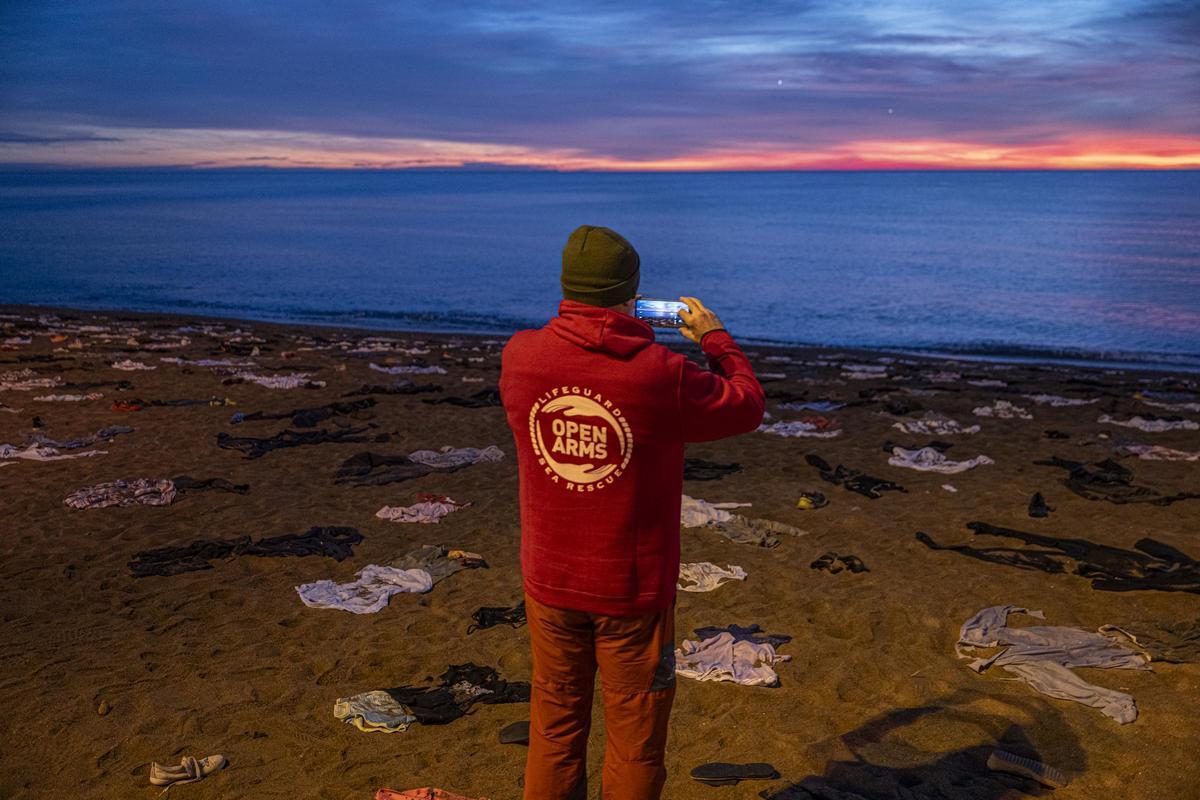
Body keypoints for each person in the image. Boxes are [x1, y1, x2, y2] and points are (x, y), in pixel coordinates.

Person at [499, 225, 765, 799]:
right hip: (631, 590)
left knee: (554, 725)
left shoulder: (520, 357)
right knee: (635, 738)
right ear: (630, 293)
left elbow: (583, 362)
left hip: (549, 581)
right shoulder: (659, 374)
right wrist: (714, 338)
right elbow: (747, 405)